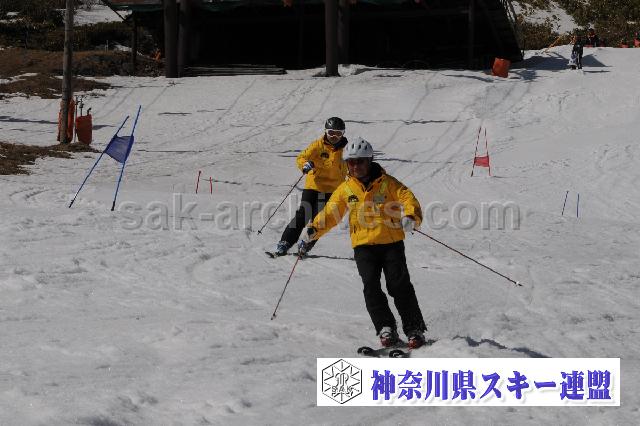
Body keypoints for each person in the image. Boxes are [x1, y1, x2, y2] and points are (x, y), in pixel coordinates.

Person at [298, 137, 428, 349]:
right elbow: (331, 213)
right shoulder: (346, 188)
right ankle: (386, 327)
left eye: (360, 161)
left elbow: (408, 198)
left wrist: (411, 217)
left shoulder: (387, 183)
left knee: (399, 286)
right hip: (363, 246)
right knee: (371, 287)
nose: (356, 166)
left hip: (391, 243)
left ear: (369, 160)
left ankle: (415, 329)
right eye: (351, 162)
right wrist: (314, 229)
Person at [274, 117, 348, 256]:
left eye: (338, 134)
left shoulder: (347, 150)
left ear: (343, 134)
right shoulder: (317, 145)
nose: (334, 137)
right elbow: (301, 157)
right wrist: (305, 164)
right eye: (331, 133)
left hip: (332, 190)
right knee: (303, 214)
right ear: (325, 131)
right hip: (313, 186)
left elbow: (354, 166)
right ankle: (285, 242)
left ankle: (306, 245)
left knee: (319, 220)